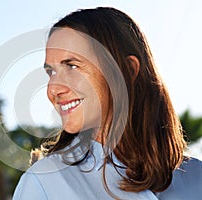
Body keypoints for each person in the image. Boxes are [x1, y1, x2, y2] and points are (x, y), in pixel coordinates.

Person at [13, 7, 202, 200]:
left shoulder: (197, 176)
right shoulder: (44, 183)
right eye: (51, 72)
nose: (53, 89)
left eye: (72, 66)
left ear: (127, 70)